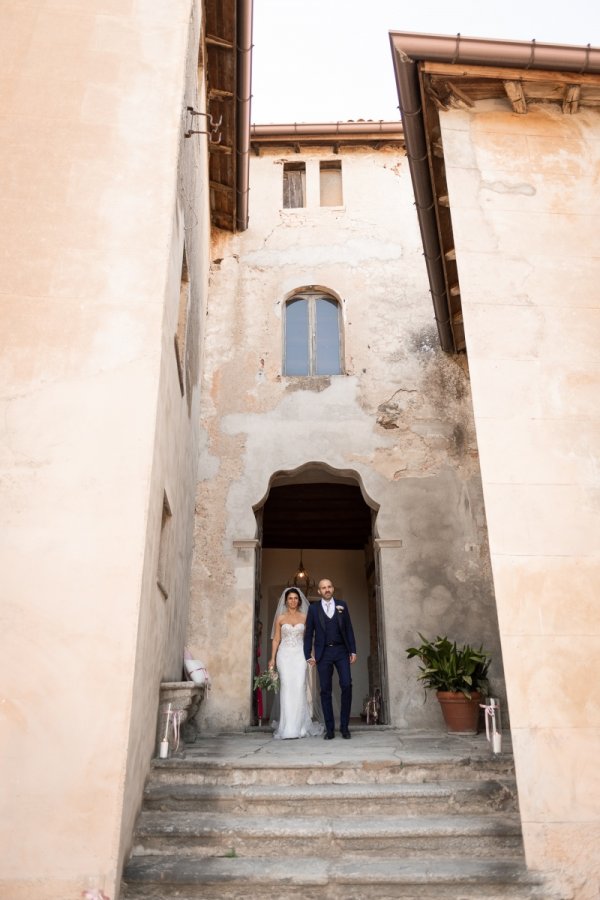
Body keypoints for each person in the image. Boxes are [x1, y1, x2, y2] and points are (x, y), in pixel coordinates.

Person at [303, 578, 357, 739]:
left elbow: (349, 629)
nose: (326, 590)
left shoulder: (342, 605)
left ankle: (345, 727)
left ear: (332, 589)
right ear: (318, 591)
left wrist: (353, 651)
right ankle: (330, 729)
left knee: (347, 685)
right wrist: (307, 654)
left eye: (329, 587)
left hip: (341, 651)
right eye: (323, 588)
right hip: (323, 653)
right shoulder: (313, 609)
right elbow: (309, 633)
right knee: (325, 690)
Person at [268, 587, 323, 740]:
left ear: (299, 601)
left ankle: (301, 727)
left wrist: (310, 655)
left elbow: (308, 639)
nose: (293, 601)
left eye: (295, 598)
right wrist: (272, 658)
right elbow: (276, 639)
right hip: (284, 655)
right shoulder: (280, 618)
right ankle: (287, 727)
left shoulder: (305, 617)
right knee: (286, 687)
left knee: (299, 687)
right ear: (286, 600)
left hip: (300, 655)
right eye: (290, 598)